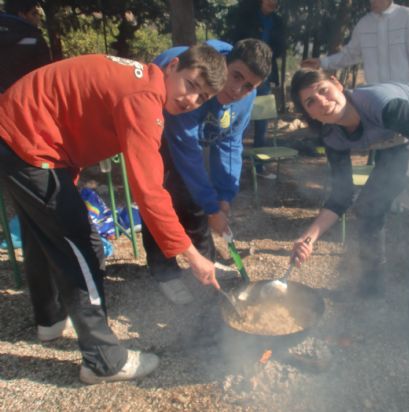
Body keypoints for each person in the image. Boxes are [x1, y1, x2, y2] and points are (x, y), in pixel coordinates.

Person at [0, 45, 227, 384]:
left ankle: (50, 320)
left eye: (203, 97)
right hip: (30, 138)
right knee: (82, 245)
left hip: (19, 129)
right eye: (191, 85)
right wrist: (192, 255)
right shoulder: (143, 99)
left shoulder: (142, 82)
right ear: (174, 66)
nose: (192, 100)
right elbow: (148, 192)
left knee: (41, 230)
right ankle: (103, 361)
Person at [289, 69, 409, 361]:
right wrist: (310, 236)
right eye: (310, 102)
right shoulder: (333, 136)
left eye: (322, 90)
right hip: (405, 141)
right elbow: (342, 196)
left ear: (338, 85)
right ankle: (373, 293)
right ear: (311, 115)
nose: (321, 101)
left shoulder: (382, 105)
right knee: (368, 207)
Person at [142, 38, 272, 305]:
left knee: (198, 201)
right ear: (224, 63)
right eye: (236, 76)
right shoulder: (196, 72)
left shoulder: (245, 98)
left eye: (249, 86)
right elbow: (186, 148)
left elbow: (230, 141)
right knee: (161, 195)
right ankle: (164, 272)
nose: (238, 89)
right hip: (161, 128)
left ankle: (203, 265)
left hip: (191, 139)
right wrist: (212, 208)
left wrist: (224, 197)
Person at [301, 0, 409, 85]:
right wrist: (322, 62)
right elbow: (349, 55)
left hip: (405, 94)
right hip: (377, 97)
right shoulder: (363, 25)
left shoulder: (407, 17)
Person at [227, 0, 286, 178]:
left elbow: (281, 48)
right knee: (236, 119)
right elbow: (237, 41)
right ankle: (231, 165)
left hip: (264, 75)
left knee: (262, 123)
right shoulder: (246, 15)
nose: (273, 3)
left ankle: (259, 166)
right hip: (243, 70)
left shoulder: (278, 22)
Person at [0, 0, 51, 92]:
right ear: (22, 15)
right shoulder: (36, 40)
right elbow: (46, 74)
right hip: (29, 95)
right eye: (34, 13)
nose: (38, 17)